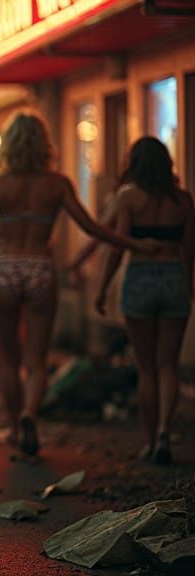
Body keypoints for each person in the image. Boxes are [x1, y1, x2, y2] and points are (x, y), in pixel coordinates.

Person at [0, 112, 155, 457]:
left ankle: (13, 428)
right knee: (37, 360)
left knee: (10, 360)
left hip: (5, 266)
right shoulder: (57, 184)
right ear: (44, 144)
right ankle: (30, 415)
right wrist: (133, 244)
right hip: (41, 266)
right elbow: (92, 228)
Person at [96, 137, 192, 465]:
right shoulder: (183, 200)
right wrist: (187, 285)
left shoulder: (127, 197)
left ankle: (151, 441)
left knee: (146, 367)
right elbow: (189, 251)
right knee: (168, 365)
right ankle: (165, 430)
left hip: (139, 278)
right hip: (174, 277)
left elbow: (117, 244)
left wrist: (102, 288)